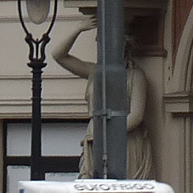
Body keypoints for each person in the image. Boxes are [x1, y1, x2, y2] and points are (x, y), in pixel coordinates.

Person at [49, 17, 154, 179]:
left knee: (122, 190)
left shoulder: (135, 76)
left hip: (125, 140)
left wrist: (109, 133)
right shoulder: (94, 72)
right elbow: (59, 55)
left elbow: (136, 115)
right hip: (96, 137)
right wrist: (78, 29)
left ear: (124, 46)